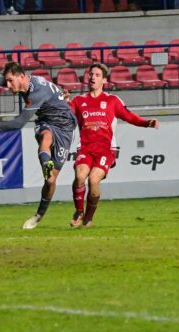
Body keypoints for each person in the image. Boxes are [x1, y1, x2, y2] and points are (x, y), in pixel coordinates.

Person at [0, 62, 77, 229]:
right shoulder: (24, 82)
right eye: (7, 81)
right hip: (46, 121)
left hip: (65, 127)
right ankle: (46, 164)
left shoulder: (36, 93)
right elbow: (1, 80)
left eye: (10, 81)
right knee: (46, 136)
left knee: (50, 181)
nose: (8, 86)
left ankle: (39, 215)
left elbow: (18, 123)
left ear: (21, 76)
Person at [67, 63, 159, 228]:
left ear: (104, 80)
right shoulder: (79, 100)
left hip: (105, 149)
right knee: (80, 176)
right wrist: (64, 103)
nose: (92, 77)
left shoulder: (111, 101)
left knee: (93, 180)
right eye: (91, 74)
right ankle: (78, 211)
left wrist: (147, 123)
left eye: (97, 75)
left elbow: (129, 116)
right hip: (85, 147)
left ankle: (88, 218)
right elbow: (66, 116)